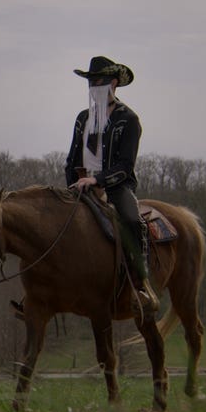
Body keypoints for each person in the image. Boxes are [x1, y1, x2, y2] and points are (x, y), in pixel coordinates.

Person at [65, 56, 159, 315]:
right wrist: (72, 184)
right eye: (90, 82)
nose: (93, 87)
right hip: (80, 186)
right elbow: (71, 158)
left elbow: (125, 165)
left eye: (99, 82)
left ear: (114, 84)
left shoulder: (128, 120)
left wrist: (98, 180)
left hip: (116, 187)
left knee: (131, 220)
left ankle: (141, 284)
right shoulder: (82, 118)